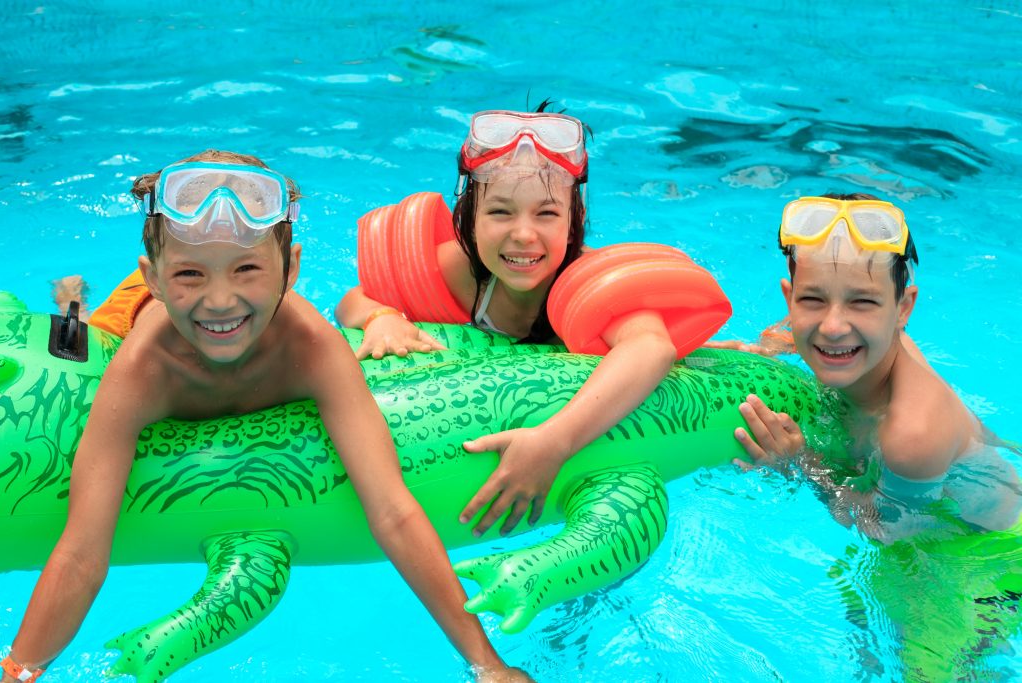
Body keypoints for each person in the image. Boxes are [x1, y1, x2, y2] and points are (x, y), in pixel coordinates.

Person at [0, 150, 527, 683]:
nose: (221, 301)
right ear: (155, 277)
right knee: (78, 334)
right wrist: (18, 670)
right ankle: (73, 296)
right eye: (189, 274)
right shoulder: (140, 371)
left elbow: (394, 511)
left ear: (291, 270)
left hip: (190, 304)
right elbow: (81, 553)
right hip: (127, 317)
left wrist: (489, 666)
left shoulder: (312, 349)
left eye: (248, 269)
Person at [337, 105, 727, 538]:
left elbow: (650, 347)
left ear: (573, 222)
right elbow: (355, 299)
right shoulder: (459, 274)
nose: (523, 234)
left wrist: (552, 443)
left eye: (546, 214)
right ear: (469, 219)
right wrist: (382, 318)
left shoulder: (589, 287)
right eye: (501, 213)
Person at [722, 193, 1020, 539]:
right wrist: (751, 353)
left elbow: (881, 529)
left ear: (903, 309)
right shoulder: (872, 341)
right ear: (791, 299)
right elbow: (787, 332)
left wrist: (800, 462)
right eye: (813, 299)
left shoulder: (911, 436)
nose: (833, 328)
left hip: (989, 557)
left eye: (861, 302)